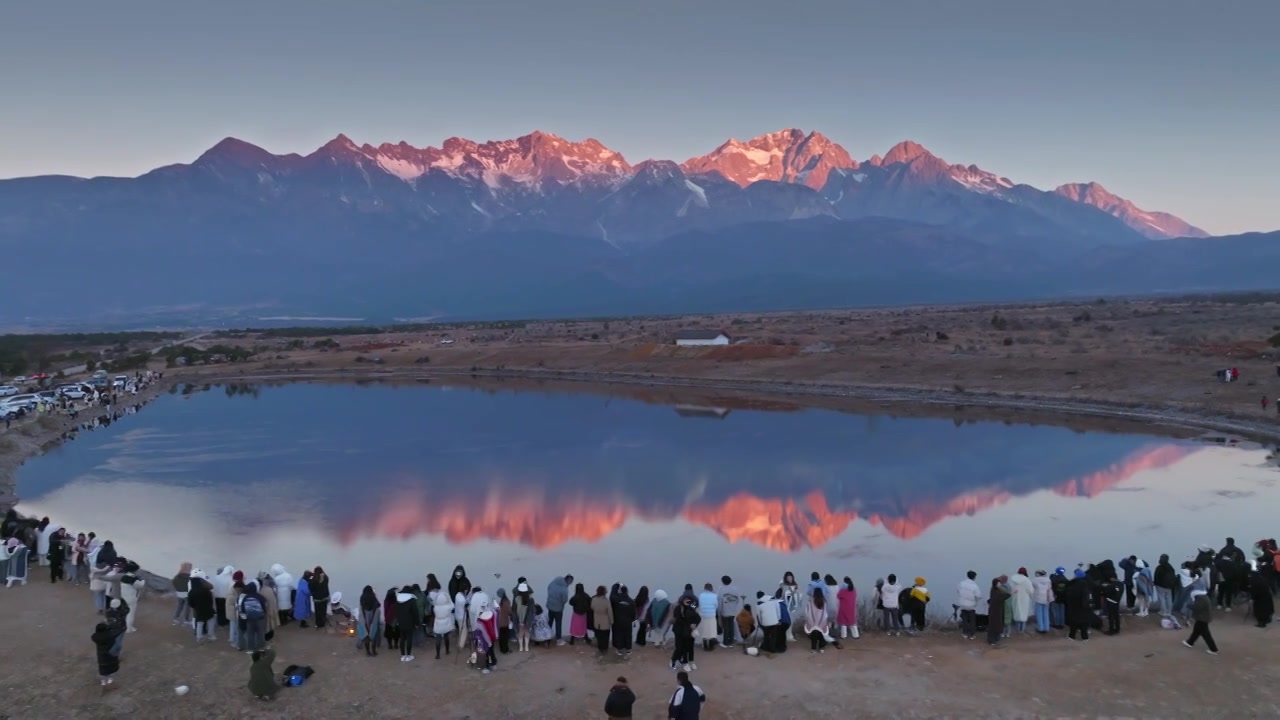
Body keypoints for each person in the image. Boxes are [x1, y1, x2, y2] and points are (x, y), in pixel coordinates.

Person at [1183, 588, 1218, 655]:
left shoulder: (1200, 599)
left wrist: (1188, 605)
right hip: (1203, 617)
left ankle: (1213, 649)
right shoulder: (1203, 597)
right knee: (1196, 631)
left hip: (1202, 618)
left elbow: (1196, 607)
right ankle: (1190, 642)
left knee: (1205, 634)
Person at [92, 622, 125, 690]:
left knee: (103, 670)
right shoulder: (109, 636)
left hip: (101, 656)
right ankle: (110, 682)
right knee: (111, 671)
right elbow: (117, 633)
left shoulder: (95, 637)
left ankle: (103, 683)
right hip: (110, 655)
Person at [670, 594, 699, 671]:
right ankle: (674, 661)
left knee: (689, 647)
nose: (687, 601)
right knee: (680, 648)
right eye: (686, 600)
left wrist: (695, 624)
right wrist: (689, 623)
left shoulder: (692, 607)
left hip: (689, 631)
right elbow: (678, 619)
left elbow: (698, 617)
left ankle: (689, 662)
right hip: (679, 631)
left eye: (689, 600)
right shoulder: (678, 608)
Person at [1065, 569, 1093, 642]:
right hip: (1084, 607)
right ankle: (1085, 637)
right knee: (1084, 622)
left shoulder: (1073, 585)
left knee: (1073, 622)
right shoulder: (1086, 584)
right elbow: (1087, 596)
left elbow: (1069, 595)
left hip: (1074, 607)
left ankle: (1072, 636)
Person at [190, 570, 217, 642]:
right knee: (211, 622)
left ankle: (199, 638)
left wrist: (195, 607)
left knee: (199, 624)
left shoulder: (191, 592)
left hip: (198, 610)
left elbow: (190, 603)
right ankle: (211, 636)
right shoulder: (206, 590)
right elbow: (210, 601)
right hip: (208, 609)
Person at [716, 575, 742, 648]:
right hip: (733, 611)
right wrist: (733, 607)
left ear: (722, 581)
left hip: (725, 611)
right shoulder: (735, 589)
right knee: (731, 626)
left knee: (726, 627)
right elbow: (737, 600)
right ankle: (731, 642)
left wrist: (719, 611)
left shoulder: (721, 589)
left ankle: (725, 642)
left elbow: (719, 601)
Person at [804, 587, 831, 653]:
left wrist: (807, 619)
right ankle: (821, 648)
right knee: (822, 634)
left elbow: (807, 612)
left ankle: (813, 649)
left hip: (812, 621)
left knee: (814, 634)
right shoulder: (824, 602)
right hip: (822, 621)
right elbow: (826, 613)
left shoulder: (810, 602)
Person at [612, 585, 637, 657]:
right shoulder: (631, 601)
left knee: (619, 635)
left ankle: (619, 649)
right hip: (628, 621)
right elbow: (633, 613)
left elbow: (614, 610)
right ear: (627, 591)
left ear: (620, 591)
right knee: (628, 635)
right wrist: (631, 620)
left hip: (618, 621)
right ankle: (628, 650)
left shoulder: (617, 600)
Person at [395, 586, 419, 662]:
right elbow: (415, 612)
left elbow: (396, 612)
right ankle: (408, 655)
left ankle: (402, 656)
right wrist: (417, 623)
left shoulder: (398, 599)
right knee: (409, 638)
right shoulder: (411, 600)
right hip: (409, 622)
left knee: (402, 639)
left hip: (401, 622)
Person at [356, 586, 382, 656]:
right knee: (373, 634)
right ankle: (373, 651)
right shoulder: (373, 597)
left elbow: (361, 606)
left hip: (364, 619)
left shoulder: (362, 597)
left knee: (365, 635)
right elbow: (378, 605)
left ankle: (368, 652)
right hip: (373, 619)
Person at [474, 600, 498, 673]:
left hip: (485, 640)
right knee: (491, 650)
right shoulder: (493, 614)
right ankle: (493, 663)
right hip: (493, 636)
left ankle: (487, 666)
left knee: (486, 652)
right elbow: (497, 609)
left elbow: (478, 630)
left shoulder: (480, 621)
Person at [546, 574, 571, 645]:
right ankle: (558, 639)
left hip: (550, 606)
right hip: (558, 608)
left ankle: (547, 638)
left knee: (549, 622)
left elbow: (548, 589)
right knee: (558, 623)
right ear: (568, 580)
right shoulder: (564, 589)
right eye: (570, 581)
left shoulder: (553, 582)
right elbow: (564, 599)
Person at [956, 570, 981, 640]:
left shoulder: (961, 583)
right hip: (971, 606)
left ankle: (965, 633)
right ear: (974, 577)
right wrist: (976, 603)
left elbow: (958, 591)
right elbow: (978, 596)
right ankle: (972, 634)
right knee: (972, 620)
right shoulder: (975, 586)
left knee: (965, 620)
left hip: (963, 604)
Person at [1008, 568, 1033, 634]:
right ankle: (1022, 629)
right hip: (1025, 598)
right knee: (1024, 612)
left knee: (1016, 611)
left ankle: (1017, 628)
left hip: (1015, 597)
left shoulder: (1012, 579)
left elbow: (1010, 588)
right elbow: (1031, 591)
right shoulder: (1027, 580)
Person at [513, 582, 536, 652]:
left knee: (520, 632)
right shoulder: (530, 599)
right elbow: (533, 610)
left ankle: (521, 647)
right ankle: (526, 647)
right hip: (528, 619)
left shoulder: (516, 599)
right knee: (527, 632)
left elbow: (514, 610)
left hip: (519, 618)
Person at [986, 578, 1010, 647]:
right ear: (996, 584)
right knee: (993, 625)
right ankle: (991, 640)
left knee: (997, 625)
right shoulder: (995, 591)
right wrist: (1011, 593)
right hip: (994, 611)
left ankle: (996, 638)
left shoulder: (995, 590)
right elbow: (1002, 597)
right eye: (999, 583)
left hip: (997, 610)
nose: (1000, 584)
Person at [591, 585, 614, 656]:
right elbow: (610, 612)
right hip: (605, 621)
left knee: (599, 635)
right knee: (605, 636)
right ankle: (605, 649)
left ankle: (600, 648)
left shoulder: (594, 599)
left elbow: (592, 607)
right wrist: (611, 621)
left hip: (597, 621)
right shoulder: (606, 601)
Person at [1250, 562, 1274, 628]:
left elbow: (1254, 590)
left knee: (1260, 610)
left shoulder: (1255, 579)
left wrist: (1252, 597)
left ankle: (1261, 623)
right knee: (1267, 609)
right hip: (1267, 595)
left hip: (1260, 597)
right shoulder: (1264, 577)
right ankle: (1267, 619)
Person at [695, 583, 718, 651]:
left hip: (703, 614)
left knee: (704, 630)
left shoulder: (701, 595)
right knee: (711, 630)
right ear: (711, 588)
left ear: (705, 588)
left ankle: (705, 645)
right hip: (711, 614)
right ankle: (710, 646)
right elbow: (716, 606)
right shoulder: (715, 596)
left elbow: (698, 604)